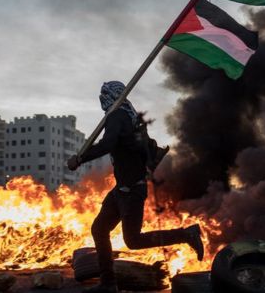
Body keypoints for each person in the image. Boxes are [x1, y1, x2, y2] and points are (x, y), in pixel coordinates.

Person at [68, 81, 204, 293]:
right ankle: (108, 284)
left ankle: (186, 234)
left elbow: (108, 144)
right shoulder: (131, 119)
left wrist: (80, 158)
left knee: (132, 240)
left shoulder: (116, 117)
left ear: (111, 97)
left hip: (130, 191)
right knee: (100, 228)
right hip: (123, 189)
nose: (101, 99)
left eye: (104, 95)